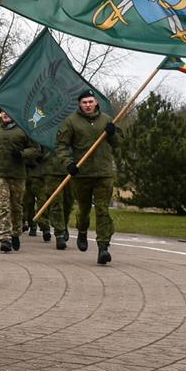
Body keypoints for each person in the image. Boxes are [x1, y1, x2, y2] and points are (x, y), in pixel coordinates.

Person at [57, 89, 118, 265]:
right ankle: (82, 230)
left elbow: (118, 143)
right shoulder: (71, 122)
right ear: (79, 104)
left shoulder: (106, 120)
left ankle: (103, 247)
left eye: (91, 102)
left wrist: (113, 133)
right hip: (81, 174)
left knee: (102, 210)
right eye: (84, 102)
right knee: (83, 210)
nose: (88, 105)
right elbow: (61, 146)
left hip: (103, 173)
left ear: (96, 102)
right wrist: (68, 163)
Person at [0, 110, 38, 252]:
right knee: (2, 205)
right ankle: (4, 238)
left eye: (8, 112)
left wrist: (22, 154)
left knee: (16, 206)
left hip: (17, 175)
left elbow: (35, 149)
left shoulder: (23, 130)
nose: (5, 114)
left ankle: (16, 232)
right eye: (2, 112)